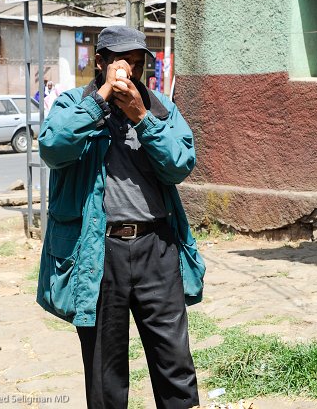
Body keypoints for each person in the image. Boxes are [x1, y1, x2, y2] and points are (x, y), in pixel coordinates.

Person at [36, 26, 205, 409]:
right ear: (100, 63)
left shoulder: (159, 108)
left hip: (157, 249)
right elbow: (53, 147)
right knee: (104, 375)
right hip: (99, 253)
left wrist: (141, 117)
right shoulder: (72, 105)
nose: (131, 69)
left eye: (138, 62)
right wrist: (101, 102)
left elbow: (180, 164)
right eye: (122, 61)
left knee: (174, 365)